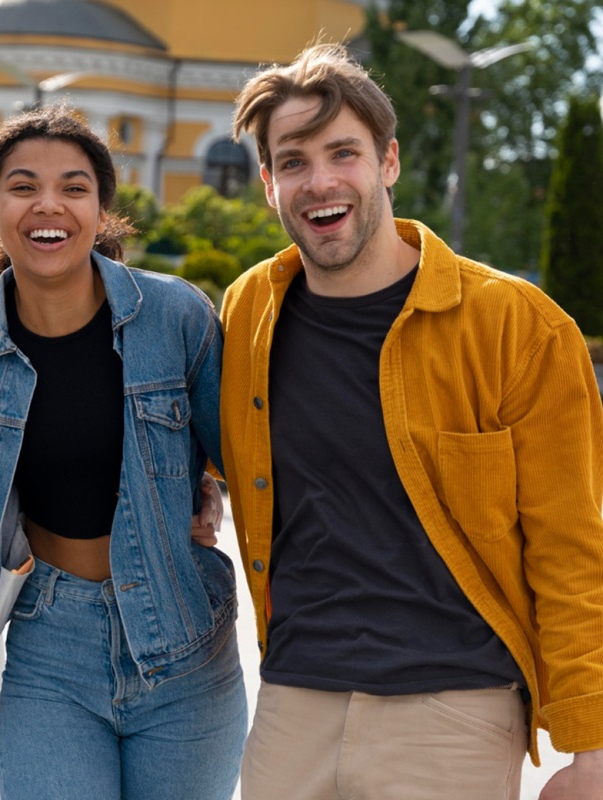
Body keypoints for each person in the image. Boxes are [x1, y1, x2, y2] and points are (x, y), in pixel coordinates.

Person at [222, 43, 603, 800]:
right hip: (294, 701)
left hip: (454, 708)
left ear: (388, 162)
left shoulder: (516, 327)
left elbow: (570, 544)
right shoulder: (248, 314)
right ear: (268, 185)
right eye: (293, 162)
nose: (320, 181)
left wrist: (589, 743)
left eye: (344, 153)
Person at [0, 105, 246, 800]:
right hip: (49, 646)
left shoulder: (176, 316)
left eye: (74, 187)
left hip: (186, 644)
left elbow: (252, 465)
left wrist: (197, 493)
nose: (49, 205)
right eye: (22, 186)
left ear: (101, 212)